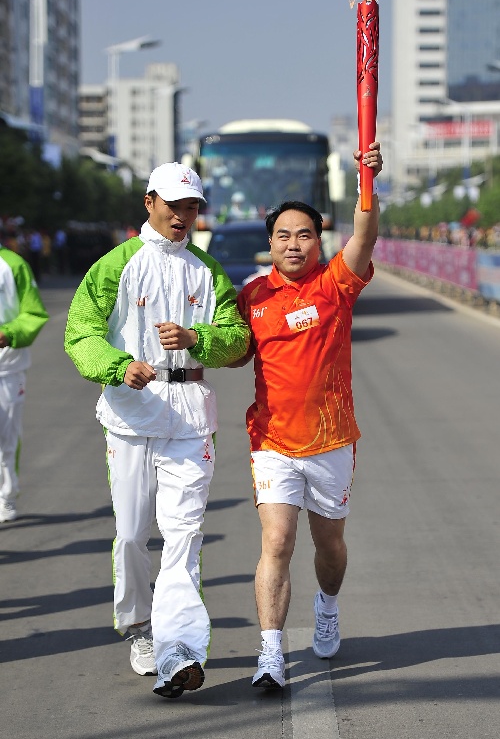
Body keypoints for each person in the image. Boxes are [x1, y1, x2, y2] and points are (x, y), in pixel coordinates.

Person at [64, 163, 249, 698]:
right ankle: (139, 627)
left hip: (189, 415)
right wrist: (119, 365)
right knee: (131, 534)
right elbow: (80, 333)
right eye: (173, 205)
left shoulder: (208, 270)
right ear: (149, 203)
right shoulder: (114, 265)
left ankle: (178, 649)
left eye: (192, 206)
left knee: (184, 536)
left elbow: (237, 341)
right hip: (129, 415)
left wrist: (197, 337)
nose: (182, 215)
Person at [229, 142, 383, 688]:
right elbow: (226, 348)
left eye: (305, 234)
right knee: (277, 541)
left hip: (332, 439)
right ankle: (270, 653)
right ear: (269, 243)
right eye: (283, 235)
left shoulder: (335, 285)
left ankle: (327, 603)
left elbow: (364, 233)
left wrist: (367, 183)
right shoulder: (251, 297)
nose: (293, 244)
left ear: (318, 241)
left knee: (329, 547)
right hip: (272, 440)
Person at [0, 233, 49, 522]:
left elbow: (32, 313)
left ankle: (6, 494)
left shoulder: (12, 264)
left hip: (6, 366)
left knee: (6, 434)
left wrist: (8, 334)